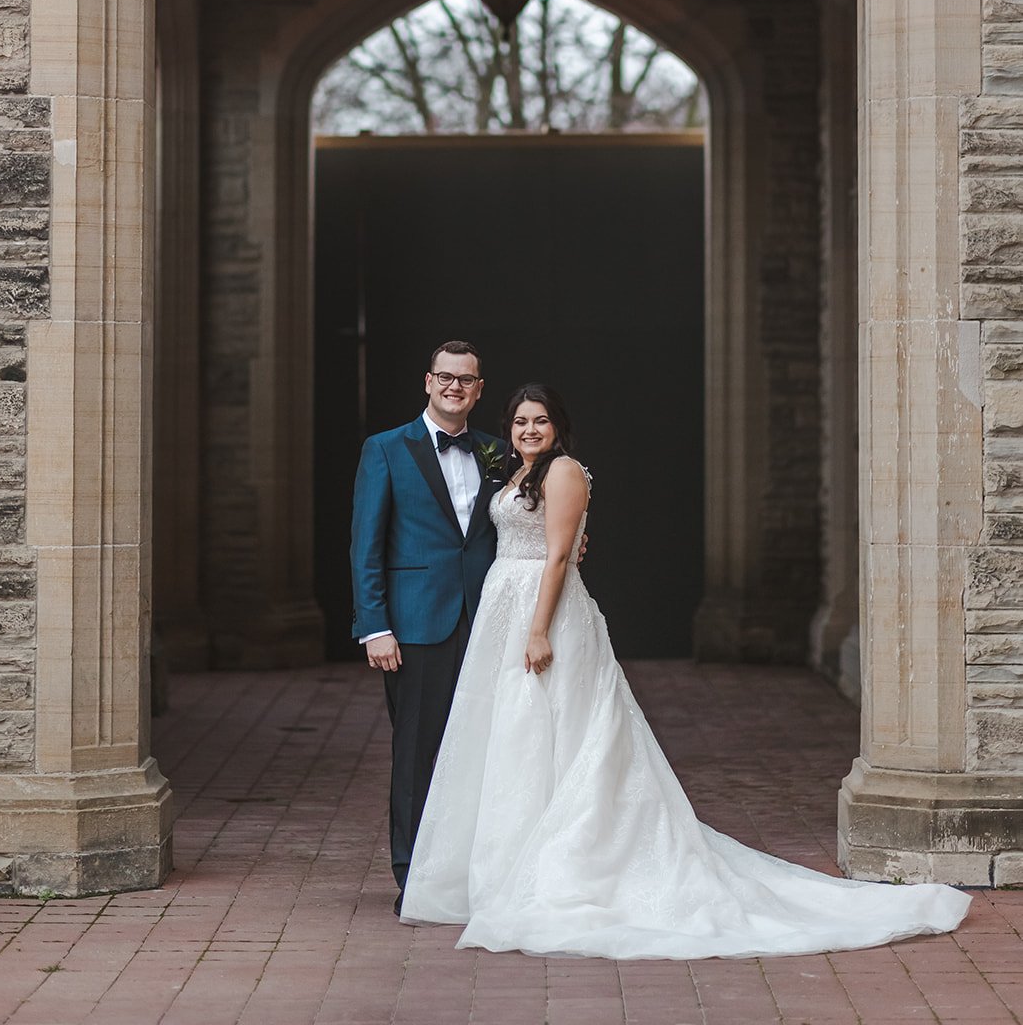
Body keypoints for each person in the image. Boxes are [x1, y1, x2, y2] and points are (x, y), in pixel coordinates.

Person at [400, 383, 972, 959]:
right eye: (521, 421)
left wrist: (539, 627)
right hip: (506, 609)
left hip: (542, 614)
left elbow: (555, 556)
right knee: (516, 737)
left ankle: (564, 862)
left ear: (558, 428)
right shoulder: (516, 476)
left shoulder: (564, 471)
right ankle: (505, 864)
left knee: (558, 731)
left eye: (540, 421)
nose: (529, 430)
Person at [350, 340, 507, 912]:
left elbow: (520, 520)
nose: (454, 387)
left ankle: (472, 870)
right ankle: (413, 876)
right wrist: (374, 626)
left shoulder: (495, 452)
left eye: (466, 380)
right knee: (418, 753)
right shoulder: (387, 449)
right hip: (415, 626)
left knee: (484, 748)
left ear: (479, 389)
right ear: (427, 381)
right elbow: (365, 544)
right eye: (445, 377)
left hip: (488, 621)